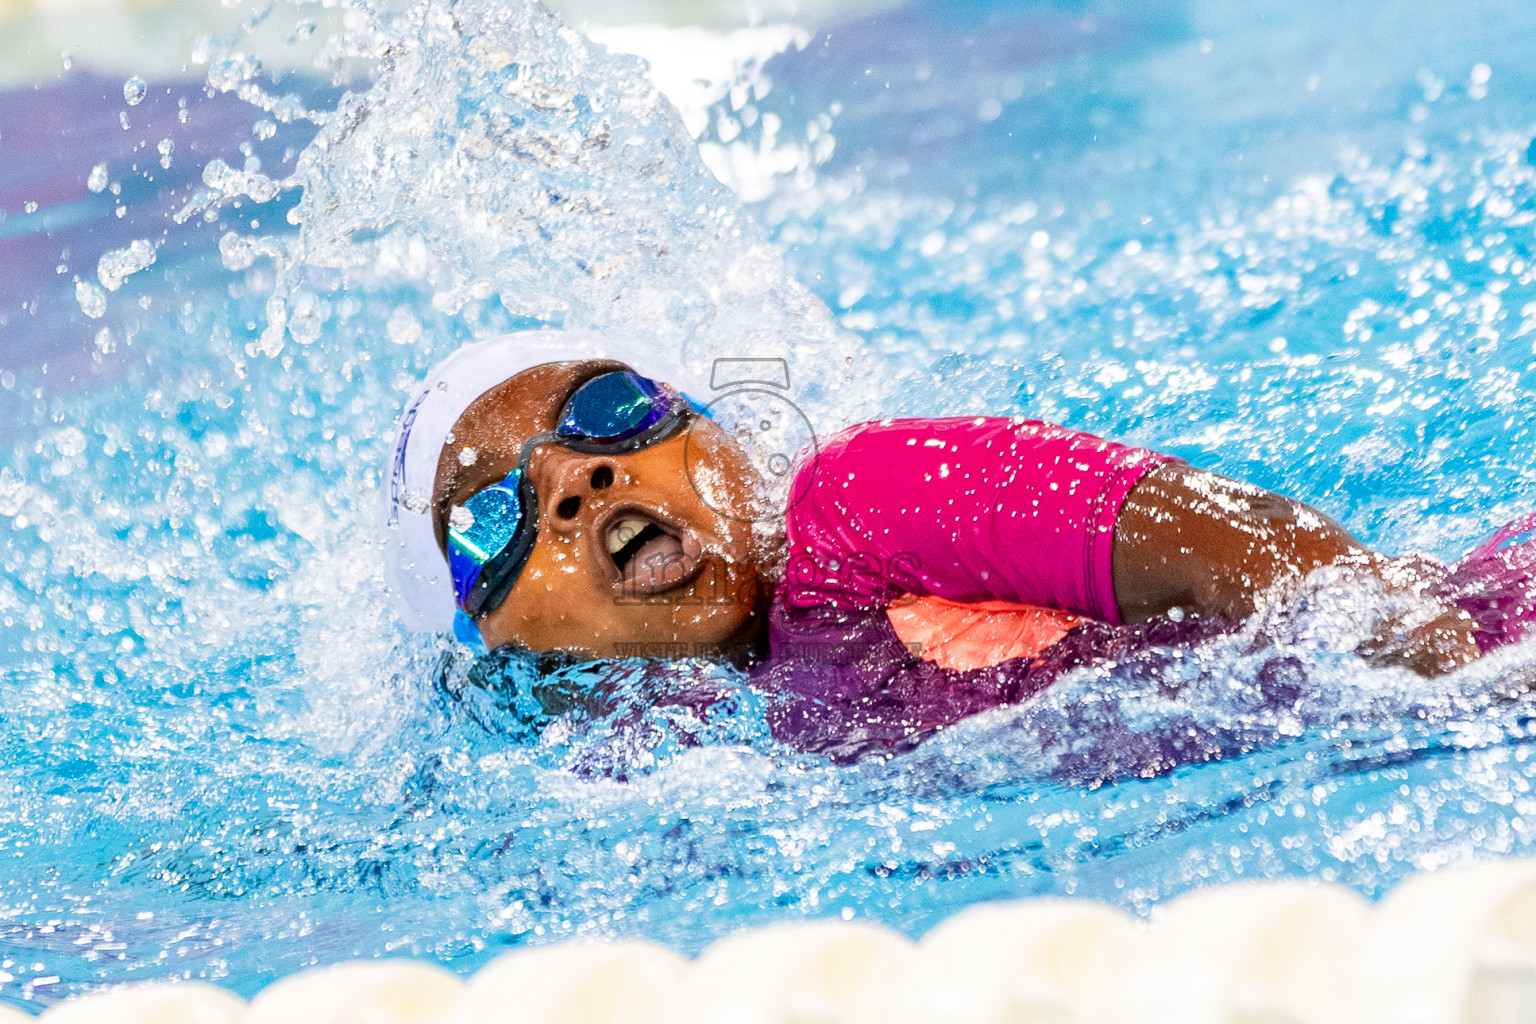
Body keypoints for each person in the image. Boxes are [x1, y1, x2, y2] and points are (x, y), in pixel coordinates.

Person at [382, 331, 1535, 759]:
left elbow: (1266, 551)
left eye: (605, 409)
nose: (577, 477)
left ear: (719, 433)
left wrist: (1446, 675)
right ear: (496, 636)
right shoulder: (662, 757)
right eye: (491, 515)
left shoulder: (859, 504)